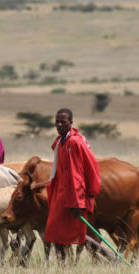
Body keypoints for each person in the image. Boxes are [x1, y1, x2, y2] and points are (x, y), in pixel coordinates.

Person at [44, 108, 101, 261]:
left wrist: (78, 203)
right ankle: (63, 263)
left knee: (76, 232)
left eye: (63, 122)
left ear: (71, 123)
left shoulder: (74, 142)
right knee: (54, 230)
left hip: (74, 197)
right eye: (57, 122)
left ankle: (104, 256)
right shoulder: (61, 142)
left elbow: (78, 175)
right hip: (62, 195)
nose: (60, 125)